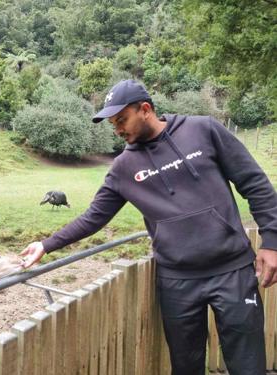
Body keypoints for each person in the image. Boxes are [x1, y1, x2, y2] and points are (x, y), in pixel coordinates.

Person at [21, 79, 277, 375]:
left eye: (121, 120)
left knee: (249, 366)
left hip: (232, 270)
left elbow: (254, 183)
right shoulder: (122, 169)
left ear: (145, 109)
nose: (117, 129)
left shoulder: (203, 129)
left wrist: (271, 242)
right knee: (185, 367)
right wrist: (46, 244)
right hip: (177, 281)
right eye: (112, 123)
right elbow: (93, 217)